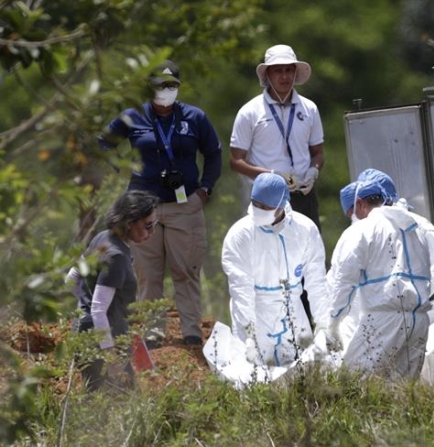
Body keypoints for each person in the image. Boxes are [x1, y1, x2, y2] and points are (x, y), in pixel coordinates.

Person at [98, 60, 223, 346]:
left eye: (171, 85)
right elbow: (103, 142)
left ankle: (191, 330)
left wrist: (205, 190)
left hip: (184, 204)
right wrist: (120, 169)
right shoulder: (132, 116)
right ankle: (154, 331)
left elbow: (214, 154)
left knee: (187, 269)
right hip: (142, 207)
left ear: (178, 87)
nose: (165, 91)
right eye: (159, 85)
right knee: (148, 272)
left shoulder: (194, 117)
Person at [326, 179, 434, 380]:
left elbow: (344, 281)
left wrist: (333, 323)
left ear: (359, 203)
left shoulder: (363, 229)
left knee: (352, 385)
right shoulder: (416, 227)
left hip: (384, 319)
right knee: (401, 392)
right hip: (419, 319)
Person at [221, 172, 327, 367]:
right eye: (256, 204)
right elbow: (241, 289)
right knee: (254, 377)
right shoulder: (241, 234)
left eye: (266, 207)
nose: (259, 210)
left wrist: (323, 323)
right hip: (256, 311)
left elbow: (316, 281)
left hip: (293, 311)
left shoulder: (304, 229)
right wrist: (250, 334)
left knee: (304, 373)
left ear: (282, 204)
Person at [69, 190, 159, 391]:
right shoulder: (117, 256)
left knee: (97, 398)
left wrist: (83, 306)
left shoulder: (102, 237)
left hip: (84, 333)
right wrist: (111, 358)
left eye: (154, 225)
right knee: (119, 400)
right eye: (148, 226)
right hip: (103, 340)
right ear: (130, 222)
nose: (152, 232)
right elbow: (99, 310)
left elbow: (71, 278)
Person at [229, 44, 324, 230]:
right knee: (268, 251)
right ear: (268, 75)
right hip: (267, 196)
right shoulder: (250, 111)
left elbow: (318, 152)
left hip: (303, 193)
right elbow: (235, 161)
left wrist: (314, 172)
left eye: (289, 70)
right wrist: (272, 175)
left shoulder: (309, 108)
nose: (285, 76)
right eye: (278, 71)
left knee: (310, 250)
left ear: (296, 73)